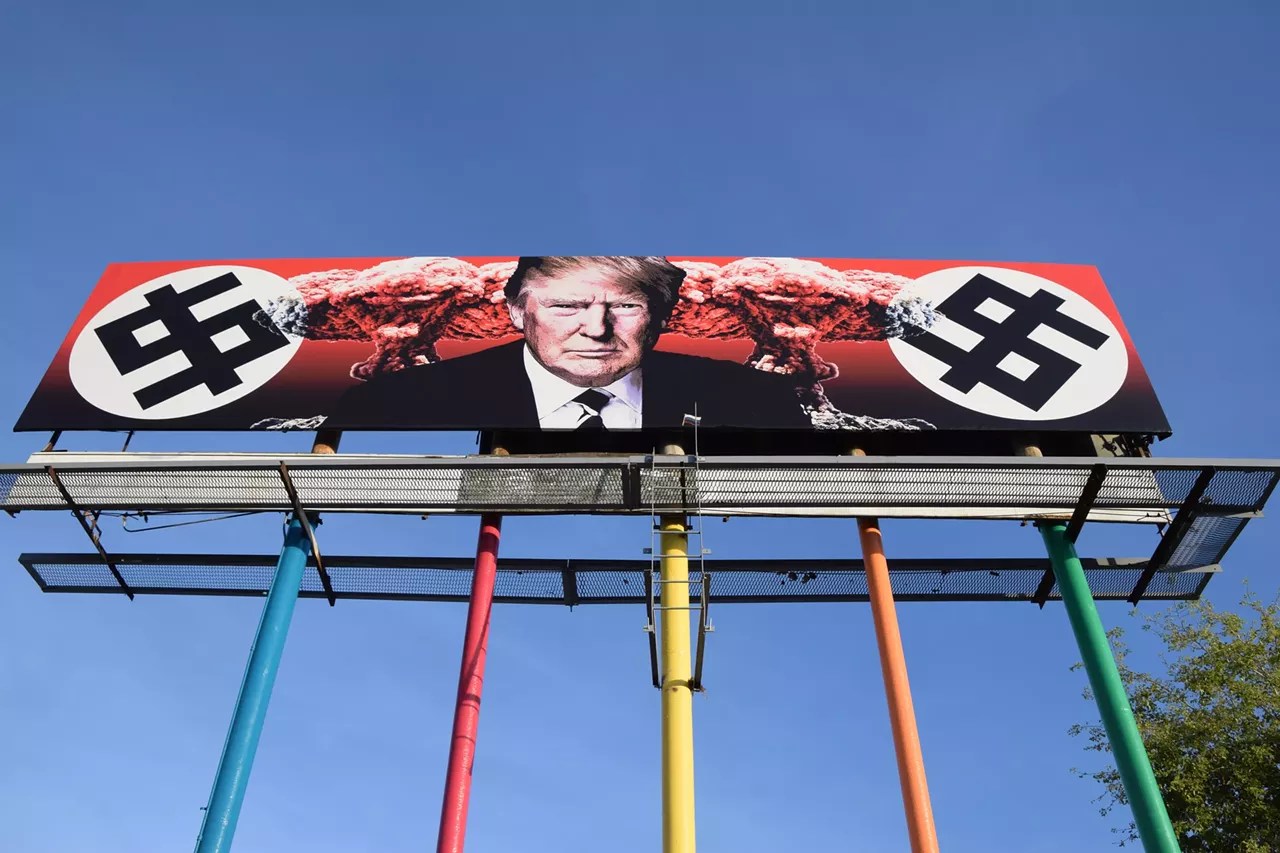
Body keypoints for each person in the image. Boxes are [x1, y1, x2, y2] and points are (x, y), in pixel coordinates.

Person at [327, 256, 811, 430]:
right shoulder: (397, 402)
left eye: (625, 307)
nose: (596, 329)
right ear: (517, 311)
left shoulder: (756, 400)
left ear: (662, 318)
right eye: (566, 306)